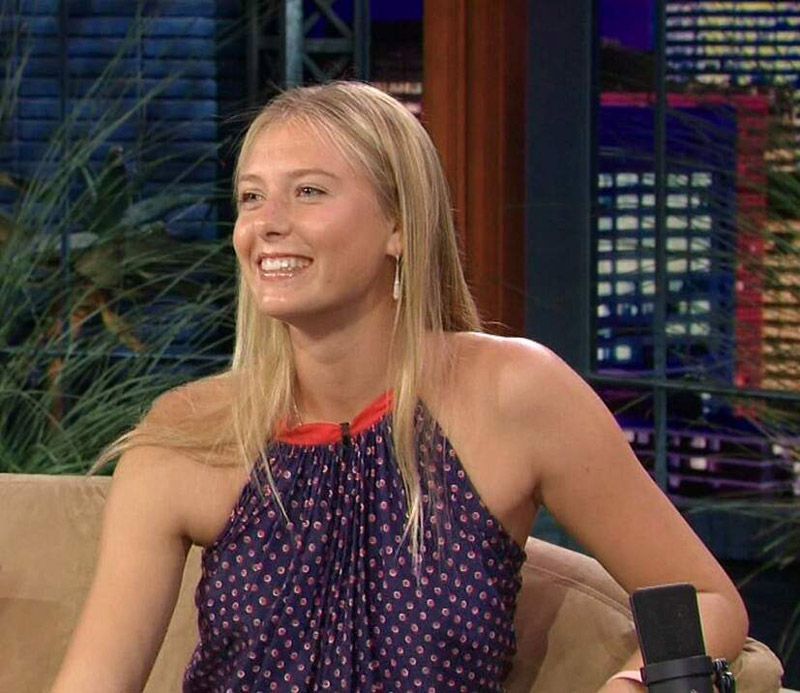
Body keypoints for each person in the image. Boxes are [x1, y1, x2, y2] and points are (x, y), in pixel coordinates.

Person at [52, 81, 748, 692]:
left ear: (400, 227)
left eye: (309, 191)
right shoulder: (185, 434)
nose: (266, 224)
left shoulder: (515, 395)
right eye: (252, 197)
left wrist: (631, 685)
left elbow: (703, 597)